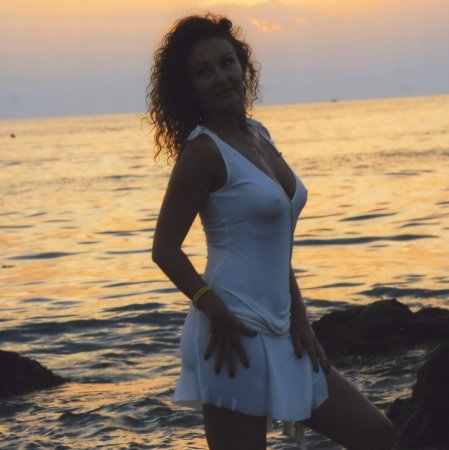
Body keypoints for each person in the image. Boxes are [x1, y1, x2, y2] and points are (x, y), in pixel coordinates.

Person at [149, 13, 394, 450]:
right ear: (190, 88)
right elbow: (165, 249)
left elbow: (276, 249)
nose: (220, 77)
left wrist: (301, 320)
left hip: (284, 329)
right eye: (203, 72)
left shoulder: (258, 135)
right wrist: (217, 313)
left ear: (243, 66)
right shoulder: (203, 152)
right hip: (231, 331)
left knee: (375, 433)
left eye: (226, 62)